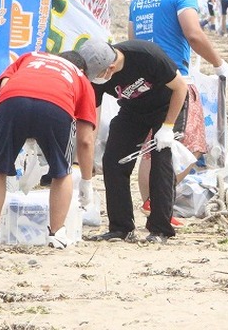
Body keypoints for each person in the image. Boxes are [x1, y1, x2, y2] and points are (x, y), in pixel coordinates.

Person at [128, 0, 228, 218]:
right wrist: (219, 64)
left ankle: (150, 203)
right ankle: (161, 200)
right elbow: (193, 34)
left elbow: (132, 40)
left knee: (150, 147)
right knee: (193, 144)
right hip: (175, 81)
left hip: (143, 82)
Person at [0, 51, 98, 249]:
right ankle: (57, 235)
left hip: (12, 100)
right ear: (83, 70)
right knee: (62, 171)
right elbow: (85, 140)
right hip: (56, 106)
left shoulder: (30, 57)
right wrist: (86, 182)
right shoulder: (81, 78)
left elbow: (6, 84)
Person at [79, 38, 189, 243]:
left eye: (98, 75)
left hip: (167, 107)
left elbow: (180, 88)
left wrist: (167, 127)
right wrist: (88, 150)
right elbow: (92, 115)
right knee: (112, 160)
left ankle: (160, 229)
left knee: (160, 162)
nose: (96, 80)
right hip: (133, 111)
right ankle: (121, 228)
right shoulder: (97, 78)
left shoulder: (146, 55)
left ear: (111, 67)